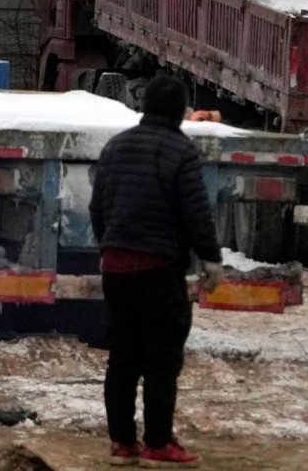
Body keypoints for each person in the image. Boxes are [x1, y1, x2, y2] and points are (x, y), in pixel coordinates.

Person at [89, 76, 223, 467]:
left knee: (123, 357)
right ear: (180, 110)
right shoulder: (180, 151)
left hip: (116, 268)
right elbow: (195, 214)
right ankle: (158, 443)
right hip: (159, 269)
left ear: (145, 105)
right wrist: (210, 259)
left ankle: (122, 444)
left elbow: (98, 207)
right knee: (162, 359)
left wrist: (109, 247)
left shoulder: (116, 146)